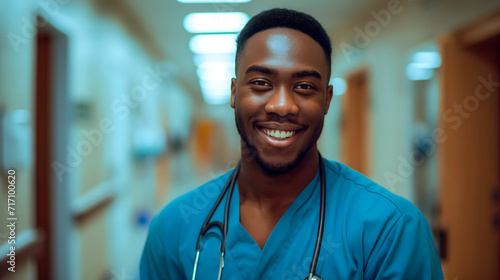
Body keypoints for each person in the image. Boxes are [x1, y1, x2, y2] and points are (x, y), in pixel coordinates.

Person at [140, 8, 443, 280]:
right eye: (261, 83)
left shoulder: (390, 230)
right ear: (234, 93)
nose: (282, 106)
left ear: (326, 99)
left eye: (304, 87)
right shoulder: (173, 228)